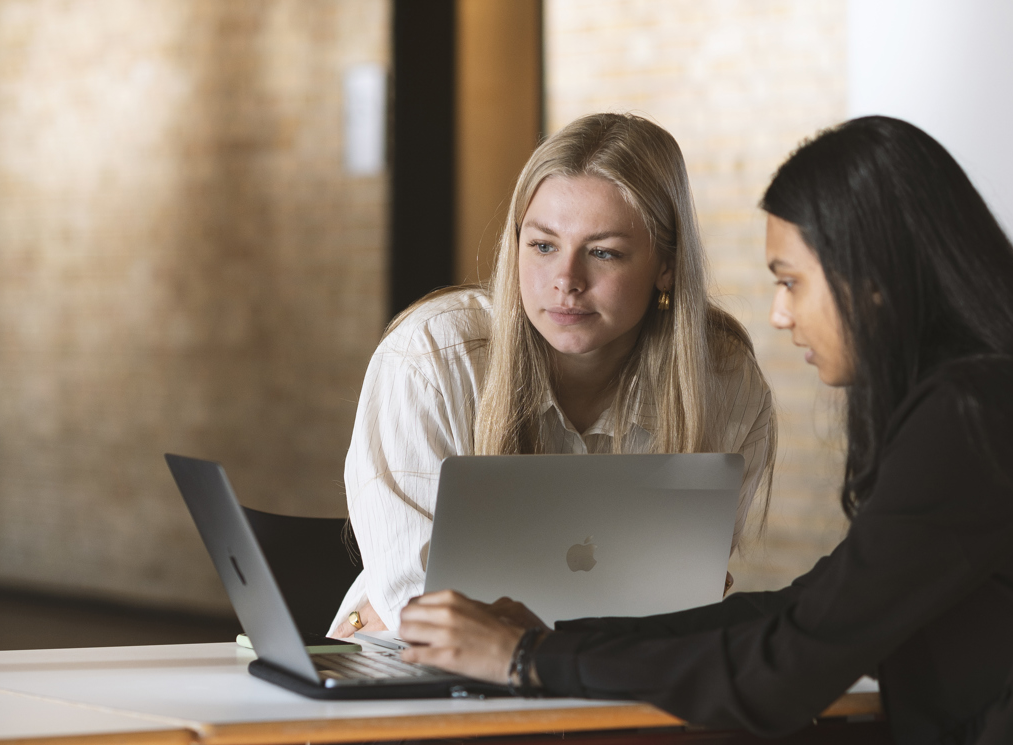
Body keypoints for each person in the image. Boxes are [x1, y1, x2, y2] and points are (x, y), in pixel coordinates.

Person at [395, 116, 1013, 744]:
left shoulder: (980, 416)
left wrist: (524, 660)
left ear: (876, 280)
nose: (780, 315)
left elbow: (785, 667)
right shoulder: (999, 394)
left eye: (793, 281)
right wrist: (547, 639)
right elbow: (805, 607)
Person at [328, 113, 778, 639]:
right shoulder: (431, 356)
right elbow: (418, 600)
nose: (566, 281)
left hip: (608, 678)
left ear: (666, 266)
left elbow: (682, 598)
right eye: (543, 246)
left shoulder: (722, 379)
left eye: (603, 253)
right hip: (413, 671)